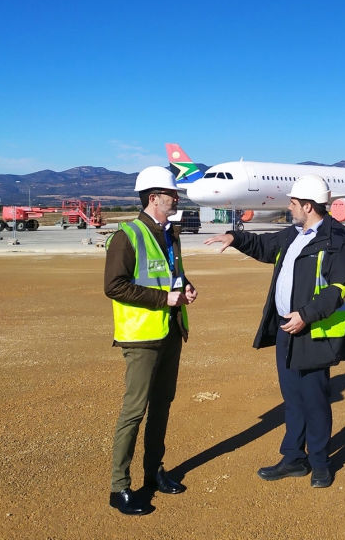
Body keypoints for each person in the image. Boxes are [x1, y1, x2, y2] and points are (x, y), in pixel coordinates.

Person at [204, 174, 345, 488]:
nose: (288, 207)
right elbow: (264, 245)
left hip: (314, 333)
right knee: (292, 399)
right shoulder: (294, 234)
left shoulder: (336, 241)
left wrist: (306, 315)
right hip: (288, 329)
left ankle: (319, 464)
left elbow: (338, 289)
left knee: (314, 401)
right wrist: (235, 238)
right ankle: (293, 459)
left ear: (307, 205)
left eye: (293, 203)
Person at [104, 166, 198, 515]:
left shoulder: (169, 234)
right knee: (134, 411)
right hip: (142, 336)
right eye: (171, 194)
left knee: (162, 405)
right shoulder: (127, 235)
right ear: (152, 197)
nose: (176, 197)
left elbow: (170, 275)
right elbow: (114, 286)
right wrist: (164, 299)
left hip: (171, 331)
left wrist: (184, 286)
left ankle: (153, 471)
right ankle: (119, 487)